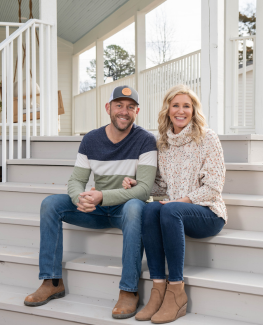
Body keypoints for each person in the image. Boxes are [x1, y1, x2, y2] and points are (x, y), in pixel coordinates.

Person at [24, 85, 157, 319]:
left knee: (137, 207)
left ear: (137, 111)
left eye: (130, 107)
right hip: (95, 209)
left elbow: (144, 190)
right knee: (51, 204)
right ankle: (52, 281)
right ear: (108, 108)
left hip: (124, 211)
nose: (124, 111)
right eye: (119, 105)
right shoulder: (91, 139)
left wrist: (102, 196)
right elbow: (76, 180)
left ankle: (129, 290)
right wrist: (80, 199)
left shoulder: (145, 140)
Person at [122, 84, 227, 324]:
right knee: (150, 208)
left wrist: (180, 201)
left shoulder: (207, 137)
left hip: (207, 213)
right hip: (174, 212)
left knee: (168, 209)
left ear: (194, 110)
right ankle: (158, 288)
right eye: (176, 105)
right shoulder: (163, 143)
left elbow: (214, 186)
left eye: (186, 106)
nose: (181, 111)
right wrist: (137, 183)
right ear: (168, 110)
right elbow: (159, 187)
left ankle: (177, 291)